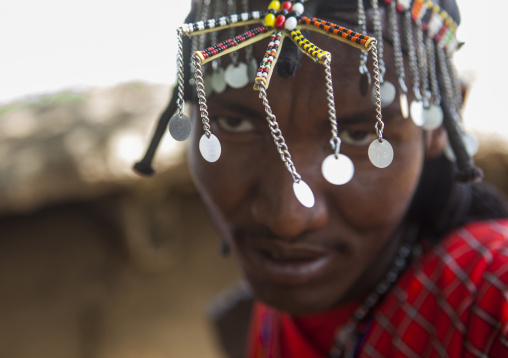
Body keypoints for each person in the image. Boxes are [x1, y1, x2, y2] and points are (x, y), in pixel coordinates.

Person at [135, 0, 508, 356]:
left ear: (445, 115)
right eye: (234, 123)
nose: (288, 220)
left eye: (359, 135)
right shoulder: (251, 322)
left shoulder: (491, 298)